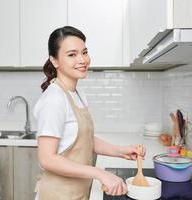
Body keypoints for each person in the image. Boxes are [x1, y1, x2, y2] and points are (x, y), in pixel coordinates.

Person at [33, 26, 146, 200]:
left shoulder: (77, 93)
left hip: (77, 190)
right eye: (72, 54)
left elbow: (84, 140)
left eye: (84, 52)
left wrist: (120, 151)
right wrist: (100, 173)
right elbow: (47, 159)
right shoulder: (54, 99)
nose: (82, 59)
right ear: (54, 60)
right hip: (58, 194)